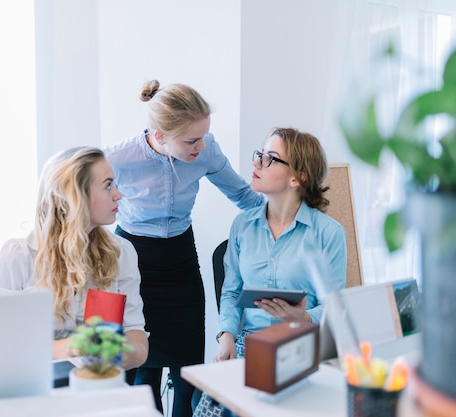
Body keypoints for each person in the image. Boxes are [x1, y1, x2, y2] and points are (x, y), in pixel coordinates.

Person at [104, 80, 264, 417]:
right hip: (132, 260)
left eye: (204, 135)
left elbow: (244, 196)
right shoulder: (117, 158)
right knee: (141, 367)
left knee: (187, 365)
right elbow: (86, 202)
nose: (201, 145)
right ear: (160, 135)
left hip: (180, 261)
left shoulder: (207, 151)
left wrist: (284, 217)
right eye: (191, 140)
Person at [192, 127, 347, 417]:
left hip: (302, 348)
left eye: (270, 158)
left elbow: (335, 309)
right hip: (248, 347)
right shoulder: (242, 226)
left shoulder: (329, 234)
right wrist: (225, 334)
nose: (257, 163)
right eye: (260, 155)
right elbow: (232, 290)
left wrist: (302, 317)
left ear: (297, 177)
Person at [0, 146, 148, 371]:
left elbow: (136, 337)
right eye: (108, 185)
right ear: (75, 197)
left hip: (95, 384)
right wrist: (71, 348)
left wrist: (121, 352)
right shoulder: (18, 257)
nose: (118, 194)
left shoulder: (120, 253)